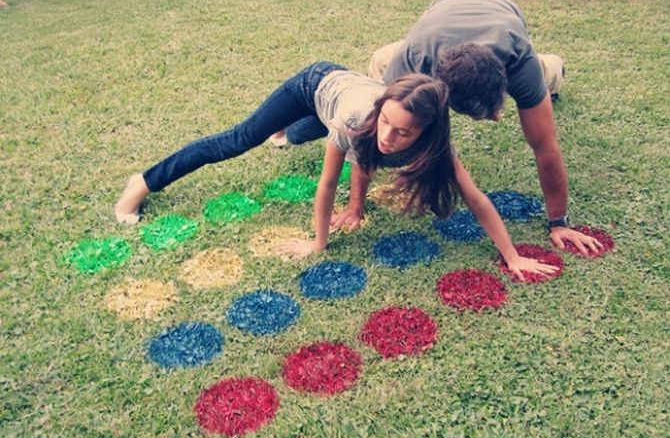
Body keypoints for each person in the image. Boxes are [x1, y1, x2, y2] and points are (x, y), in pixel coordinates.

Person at [114, 61, 557, 279]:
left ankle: (288, 133)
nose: (389, 137)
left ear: (426, 133)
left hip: (337, 111)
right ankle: (143, 181)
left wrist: (513, 255)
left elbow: (477, 201)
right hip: (315, 85)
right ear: (382, 108)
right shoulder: (358, 122)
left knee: (311, 134)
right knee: (240, 139)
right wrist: (317, 242)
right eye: (387, 122)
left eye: (403, 133)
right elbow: (329, 184)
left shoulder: (438, 148)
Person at [286, 0, 602, 256]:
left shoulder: (520, 63)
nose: (496, 119)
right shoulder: (413, 62)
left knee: (546, 76)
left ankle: (555, 67)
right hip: (442, 14)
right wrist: (356, 206)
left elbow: (545, 147)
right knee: (380, 77)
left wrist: (559, 222)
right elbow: (370, 138)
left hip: (503, 15)